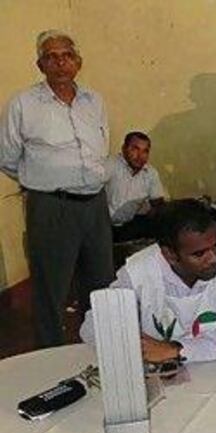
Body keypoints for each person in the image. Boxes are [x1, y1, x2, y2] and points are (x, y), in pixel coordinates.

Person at [0, 29, 113, 348]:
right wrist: (43, 182)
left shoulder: (95, 100)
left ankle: (101, 349)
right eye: (51, 56)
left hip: (95, 204)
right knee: (52, 288)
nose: (59, 62)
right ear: (40, 65)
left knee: (102, 283)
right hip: (51, 206)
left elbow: (101, 147)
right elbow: (7, 158)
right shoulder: (23, 104)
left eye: (66, 55)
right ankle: (50, 356)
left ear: (78, 61)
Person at [79, 199, 216, 377]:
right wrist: (134, 343)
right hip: (166, 375)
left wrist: (174, 350)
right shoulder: (139, 269)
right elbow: (93, 324)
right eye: (199, 254)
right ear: (169, 254)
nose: (214, 258)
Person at [105, 131, 166, 242]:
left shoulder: (151, 173)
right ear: (124, 149)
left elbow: (158, 204)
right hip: (102, 227)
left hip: (129, 226)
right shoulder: (110, 165)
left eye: (145, 151)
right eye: (135, 149)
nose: (140, 156)